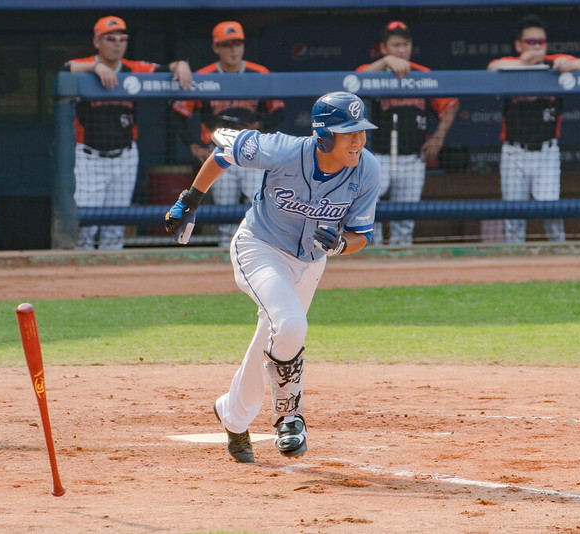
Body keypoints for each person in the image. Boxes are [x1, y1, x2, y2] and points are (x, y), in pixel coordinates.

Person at [164, 92, 380, 462]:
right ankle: (289, 417)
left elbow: (363, 236)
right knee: (291, 324)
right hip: (259, 249)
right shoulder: (282, 151)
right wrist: (191, 199)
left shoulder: (367, 169)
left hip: (311, 262)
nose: (359, 141)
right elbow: (222, 155)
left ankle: (233, 414)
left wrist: (341, 245)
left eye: (361, 132)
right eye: (349, 134)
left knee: (275, 333)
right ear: (324, 136)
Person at [63, 16, 192, 250]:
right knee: (84, 225)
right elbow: (64, 69)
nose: (117, 43)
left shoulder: (134, 68)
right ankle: (80, 280)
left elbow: (165, 68)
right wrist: (95, 67)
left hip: (124, 156)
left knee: (116, 226)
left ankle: (111, 283)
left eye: (122, 38)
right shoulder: (84, 65)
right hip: (89, 157)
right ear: (97, 41)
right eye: (110, 38)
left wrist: (180, 64)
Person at [487, 14, 580, 243]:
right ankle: (514, 261)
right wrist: (522, 63)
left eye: (541, 42)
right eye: (531, 42)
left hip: (546, 151)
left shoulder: (553, 61)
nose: (537, 46)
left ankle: (558, 253)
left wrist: (571, 64)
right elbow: (492, 67)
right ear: (519, 45)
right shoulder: (510, 65)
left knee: (551, 211)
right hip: (514, 151)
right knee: (513, 216)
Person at [171, 21, 285, 248]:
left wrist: (260, 122)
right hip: (218, 153)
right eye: (227, 44)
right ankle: (225, 258)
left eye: (237, 43)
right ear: (216, 47)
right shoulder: (203, 76)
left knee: (259, 208)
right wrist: (193, 145)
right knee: (224, 214)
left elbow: (278, 111)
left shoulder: (259, 73)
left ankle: (258, 253)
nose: (233, 49)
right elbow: (178, 114)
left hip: (252, 152)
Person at [356, 21, 459, 246]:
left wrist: (438, 137)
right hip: (378, 158)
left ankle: (401, 257)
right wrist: (384, 62)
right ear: (384, 48)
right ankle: (374, 255)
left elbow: (451, 103)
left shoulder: (422, 74)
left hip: (412, 158)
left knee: (405, 217)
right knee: (370, 211)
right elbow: (353, 82)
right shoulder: (372, 73)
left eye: (406, 44)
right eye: (395, 45)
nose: (402, 49)